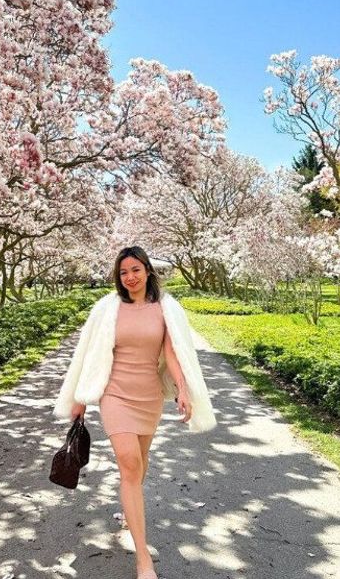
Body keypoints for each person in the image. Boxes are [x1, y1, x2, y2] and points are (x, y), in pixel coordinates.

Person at [53, 246, 217, 579]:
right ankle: (143, 557)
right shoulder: (108, 309)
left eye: (135, 270)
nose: (129, 277)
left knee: (139, 463)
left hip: (149, 396)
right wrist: (81, 398)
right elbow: (91, 354)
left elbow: (172, 354)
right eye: (123, 272)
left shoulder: (165, 309)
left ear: (147, 270)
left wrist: (183, 390)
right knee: (129, 462)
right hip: (115, 395)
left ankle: (131, 508)